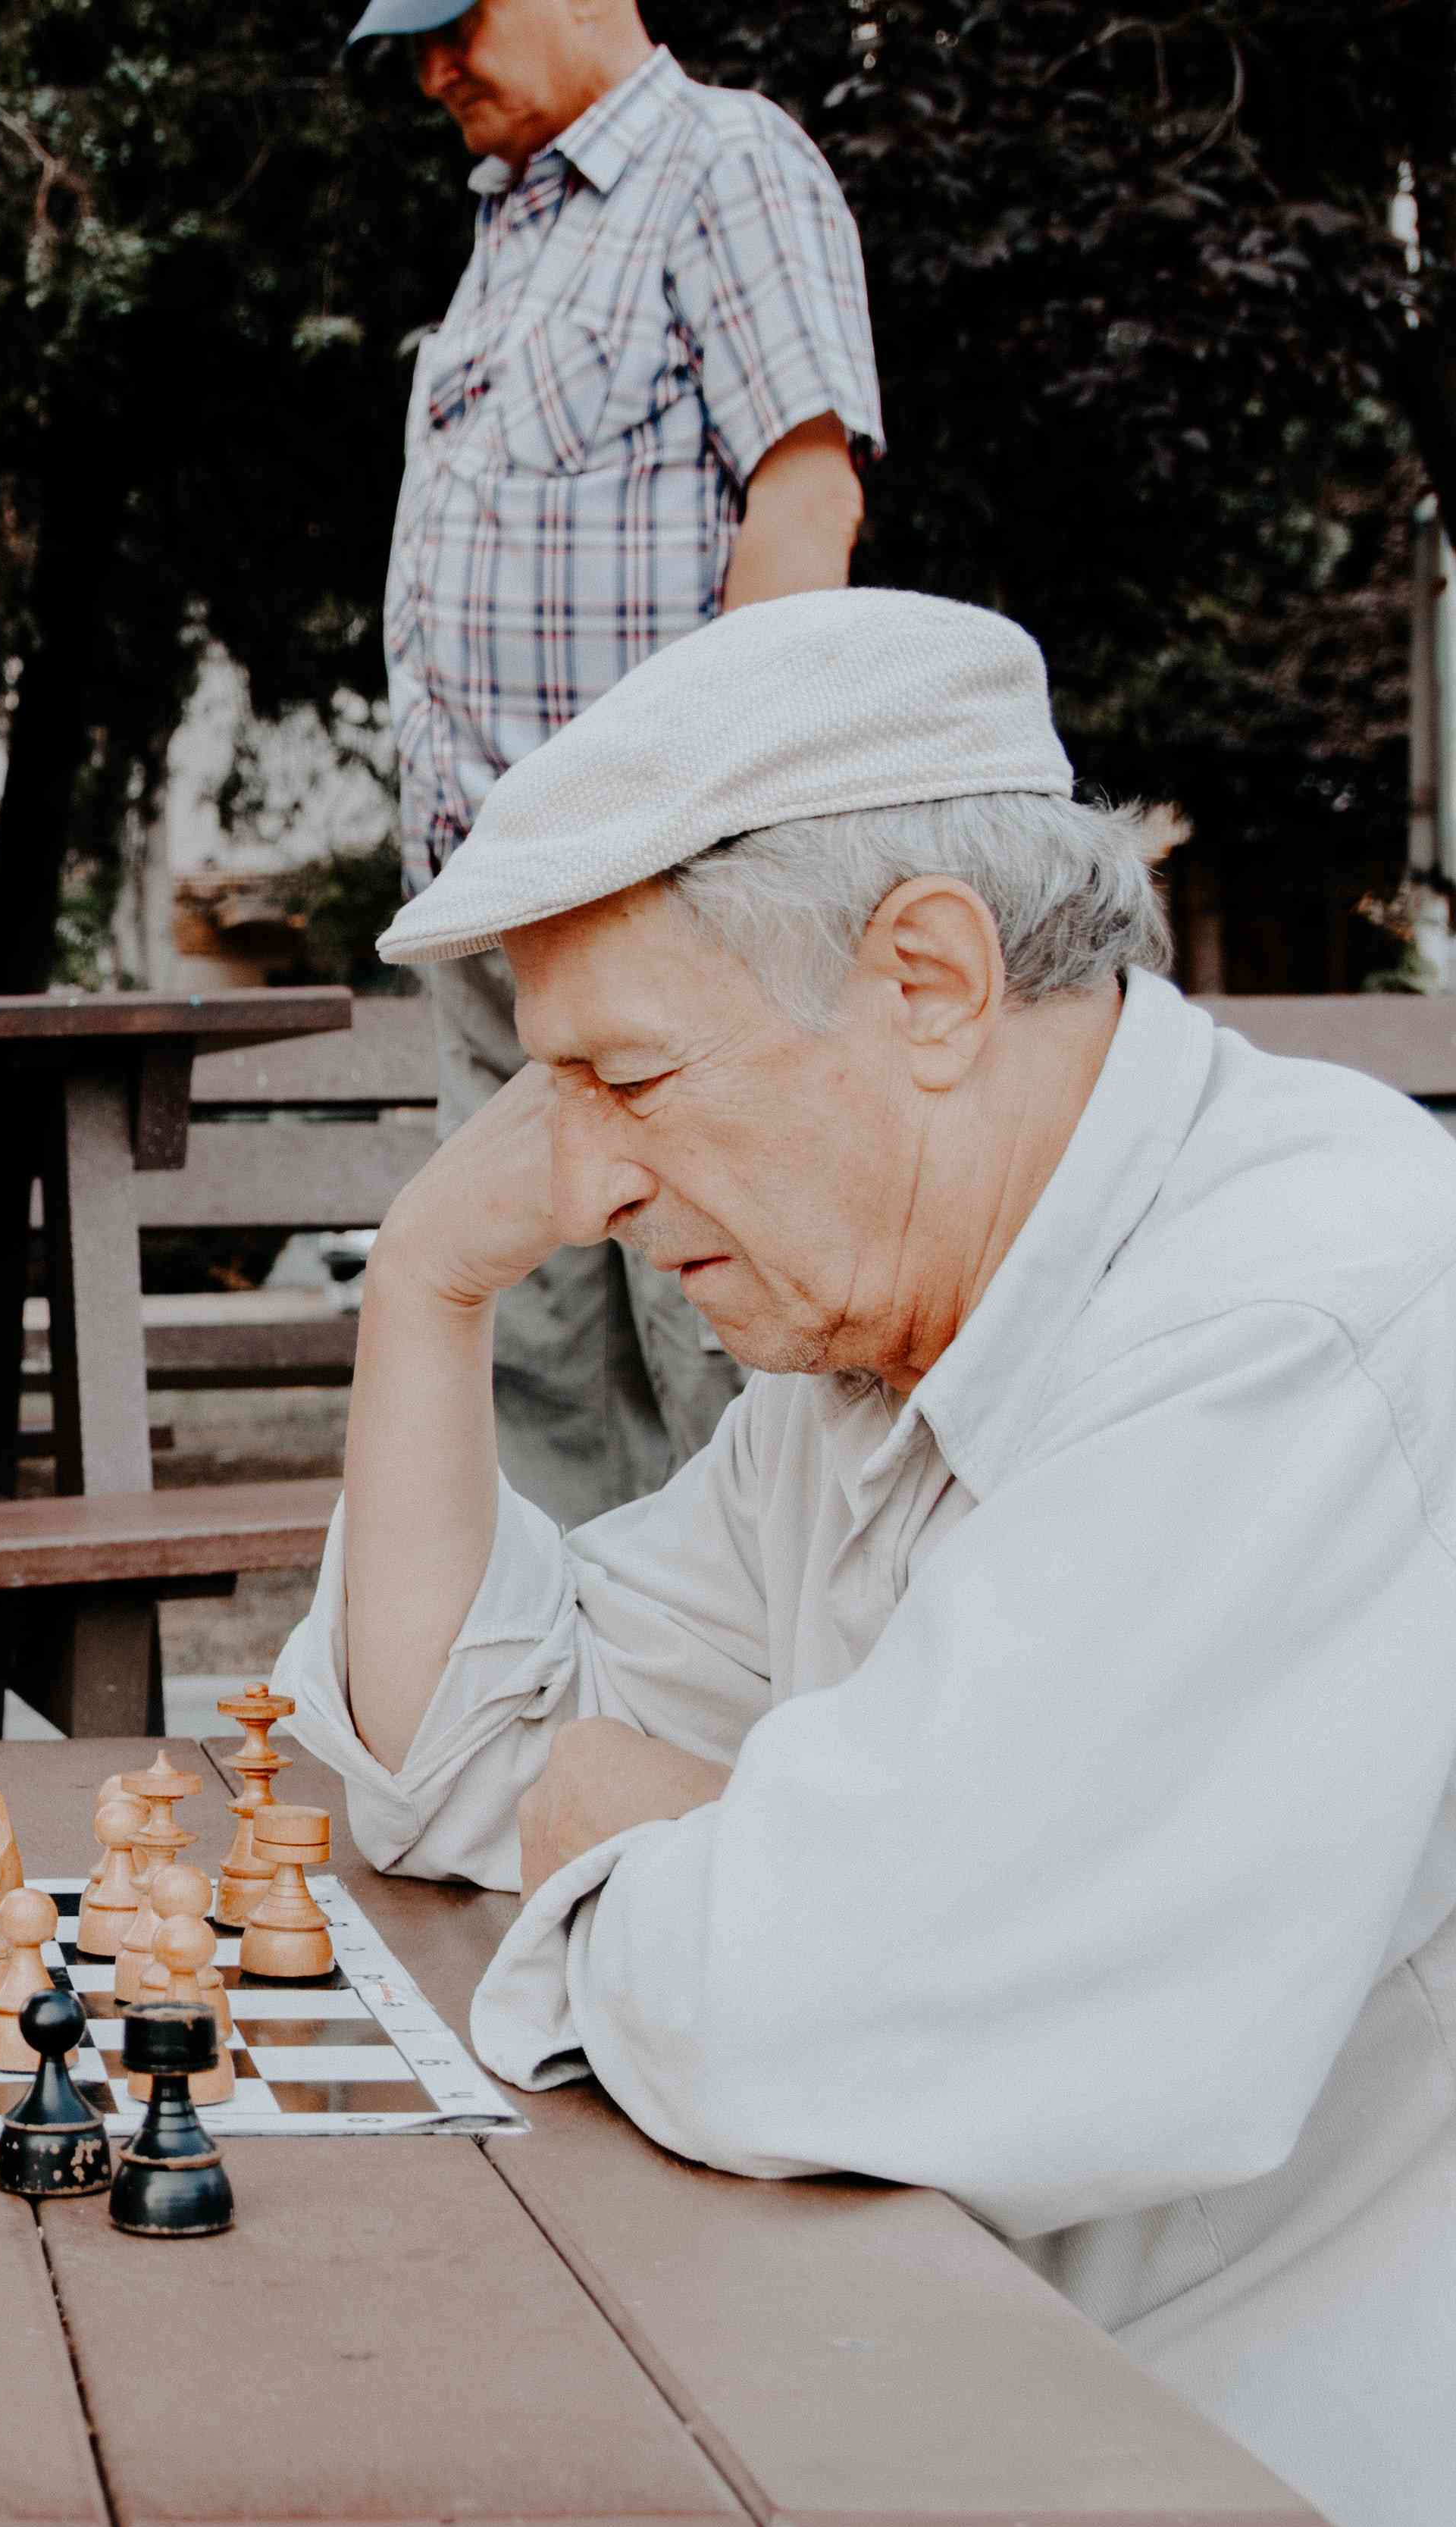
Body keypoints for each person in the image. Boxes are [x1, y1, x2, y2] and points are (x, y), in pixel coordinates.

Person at [277, 589, 1456, 2527]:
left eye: (631, 1079)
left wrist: (666, 1830)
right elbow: (458, 1771)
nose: (586, 1181)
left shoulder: (1315, 1337)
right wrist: (422, 1287)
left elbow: (833, 2015)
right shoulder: (886, 1351)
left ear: (931, 983)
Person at [349, 0, 878, 1525]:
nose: (431, 66)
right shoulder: (509, 226)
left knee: (717, 1346)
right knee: (534, 1367)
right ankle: (577, 1737)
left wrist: (708, 844)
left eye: (456, 22)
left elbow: (804, 501)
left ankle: (761, 1745)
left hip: (659, 896)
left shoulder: (728, 166)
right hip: (486, 910)